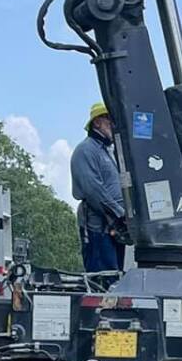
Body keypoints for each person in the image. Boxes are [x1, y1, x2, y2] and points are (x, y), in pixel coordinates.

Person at [71, 102, 128, 276]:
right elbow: (93, 190)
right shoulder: (86, 150)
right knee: (102, 279)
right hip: (98, 227)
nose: (113, 123)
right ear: (97, 122)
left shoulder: (108, 152)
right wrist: (120, 213)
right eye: (109, 118)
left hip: (114, 228)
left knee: (115, 277)